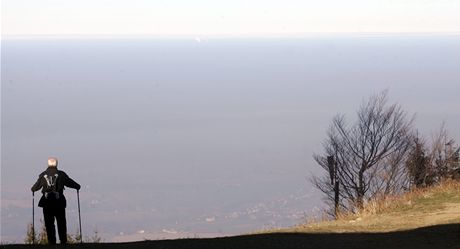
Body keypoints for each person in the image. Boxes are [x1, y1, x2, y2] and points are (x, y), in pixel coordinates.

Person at [31, 157, 80, 245]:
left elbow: (35, 188)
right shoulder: (62, 174)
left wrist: (33, 189)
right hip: (59, 202)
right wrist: (77, 186)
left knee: (49, 223)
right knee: (61, 222)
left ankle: (51, 241)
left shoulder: (43, 175)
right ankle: (63, 241)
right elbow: (70, 183)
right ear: (57, 164)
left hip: (47, 203)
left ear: (48, 164)